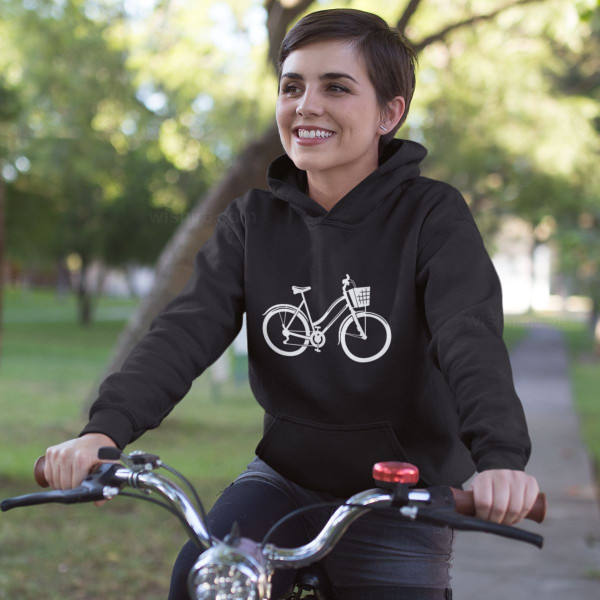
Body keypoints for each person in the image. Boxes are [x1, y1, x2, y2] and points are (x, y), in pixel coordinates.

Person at [43, 8, 540, 600]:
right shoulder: (252, 221)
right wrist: (105, 431)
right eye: (292, 86)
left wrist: (501, 458)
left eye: (336, 87)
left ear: (390, 113)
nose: (306, 105)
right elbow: (186, 330)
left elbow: (468, 334)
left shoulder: (431, 214)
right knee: (204, 577)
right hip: (284, 478)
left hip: (400, 492)